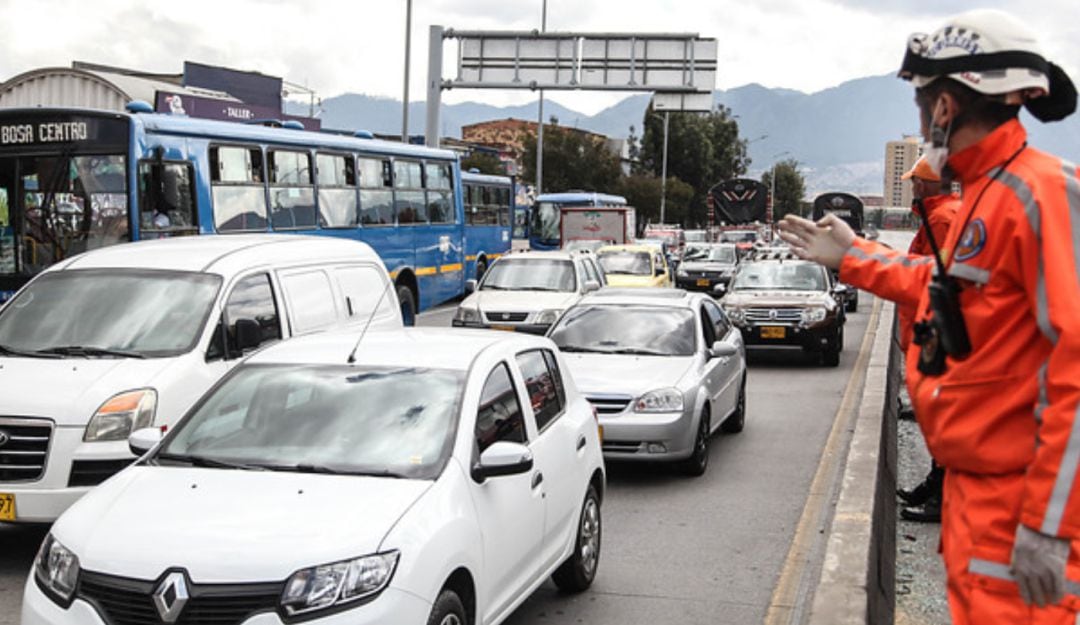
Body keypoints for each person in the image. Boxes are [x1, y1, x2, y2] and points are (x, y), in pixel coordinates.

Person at [777, 9, 1080, 625]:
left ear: (944, 108)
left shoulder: (1041, 196)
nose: (920, 118)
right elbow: (945, 290)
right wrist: (855, 257)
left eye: (922, 102)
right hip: (978, 493)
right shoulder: (987, 196)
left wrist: (1051, 525)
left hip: (1018, 498)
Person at [895, 155, 959, 524]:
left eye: (917, 182)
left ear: (929, 184)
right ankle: (935, 485)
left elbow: (939, 281)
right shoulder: (935, 217)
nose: (913, 187)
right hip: (929, 337)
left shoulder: (942, 219)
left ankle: (942, 497)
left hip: (938, 340)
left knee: (943, 425)